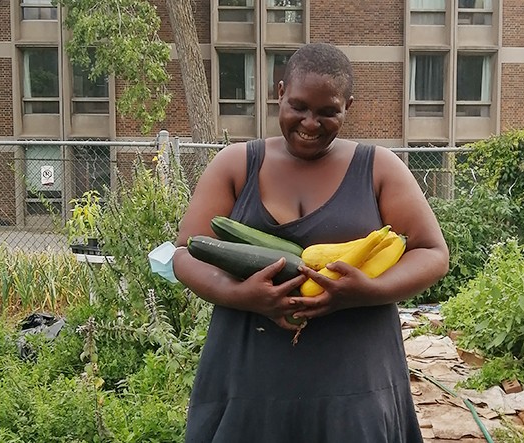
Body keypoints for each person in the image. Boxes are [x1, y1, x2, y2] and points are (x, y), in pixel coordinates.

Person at [172, 42, 449, 442]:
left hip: (354, 386)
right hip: (249, 384)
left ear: (348, 106)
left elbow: (433, 252)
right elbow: (184, 252)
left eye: (328, 112)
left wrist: (366, 292)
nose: (310, 122)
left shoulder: (379, 168)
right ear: (279, 91)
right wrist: (241, 295)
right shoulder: (236, 164)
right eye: (299, 106)